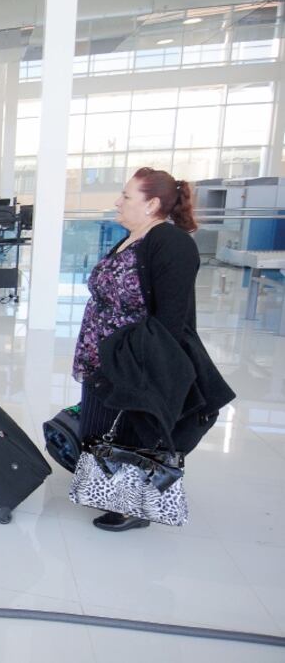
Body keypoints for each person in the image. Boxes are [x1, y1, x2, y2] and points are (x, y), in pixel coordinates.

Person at [72, 167, 212, 532]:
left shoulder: (171, 243)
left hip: (133, 360)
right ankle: (112, 491)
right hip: (105, 355)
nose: (118, 201)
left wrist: (137, 366)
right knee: (98, 429)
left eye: (127, 196)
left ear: (151, 204)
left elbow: (170, 318)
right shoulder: (131, 237)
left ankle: (133, 507)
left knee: (130, 429)